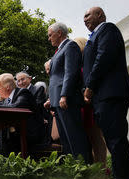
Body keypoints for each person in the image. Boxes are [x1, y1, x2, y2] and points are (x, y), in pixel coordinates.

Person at [82, 7, 129, 179]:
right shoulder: (94, 36)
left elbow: (103, 57)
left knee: (116, 141)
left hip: (111, 94)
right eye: (83, 17)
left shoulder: (108, 29)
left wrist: (90, 86)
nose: (85, 19)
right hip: (102, 97)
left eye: (88, 15)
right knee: (113, 142)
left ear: (101, 16)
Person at [44, 22, 90, 162]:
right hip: (57, 101)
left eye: (50, 35)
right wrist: (52, 99)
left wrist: (64, 95)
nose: (49, 38)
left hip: (67, 100)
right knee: (65, 140)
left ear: (59, 33)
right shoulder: (58, 51)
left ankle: (84, 169)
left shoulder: (70, 46)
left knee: (74, 137)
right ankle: (74, 169)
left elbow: (70, 73)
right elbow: (56, 78)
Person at [74, 36, 107, 165]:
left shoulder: (88, 63)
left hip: (90, 104)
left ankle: (102, 167)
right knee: (88, 139)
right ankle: (94, 165)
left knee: (96, 138)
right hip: (82, 106)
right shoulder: (77, 64)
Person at [0, 73, 45, 154]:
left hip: (29, 136)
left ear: (7, 87)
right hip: (15, 136)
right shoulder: (6, 101)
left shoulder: (23, 93)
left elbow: (16, 108)